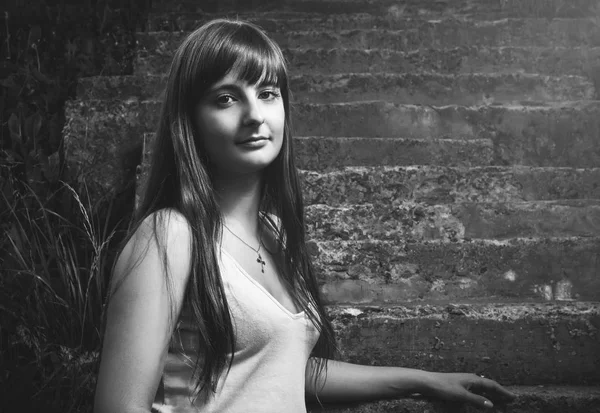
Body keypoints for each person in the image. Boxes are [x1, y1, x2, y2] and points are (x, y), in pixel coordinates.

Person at [93, 18, 516, 413]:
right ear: (190, 121)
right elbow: (118, 407)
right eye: (226, 98)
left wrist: (422, 381)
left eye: (267, 93)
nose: (255, 114)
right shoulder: (170, 234)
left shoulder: (273, 233)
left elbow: (286, 364)